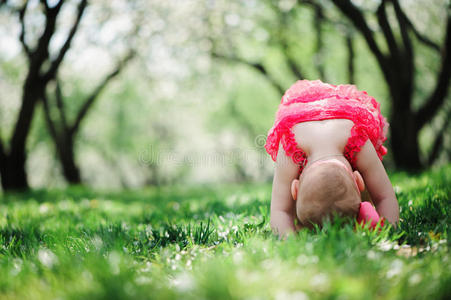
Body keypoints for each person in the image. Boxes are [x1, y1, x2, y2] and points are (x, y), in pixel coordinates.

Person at [264, 80, 399, 236]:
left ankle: (332, 215)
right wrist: (389, 230)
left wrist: (286, 237)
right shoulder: (291, 144)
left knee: (337, 193)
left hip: (336, 116)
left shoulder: (356, 137)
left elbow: (280, 210)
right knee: (307, 203)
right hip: (312, 117)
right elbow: (280, 210)